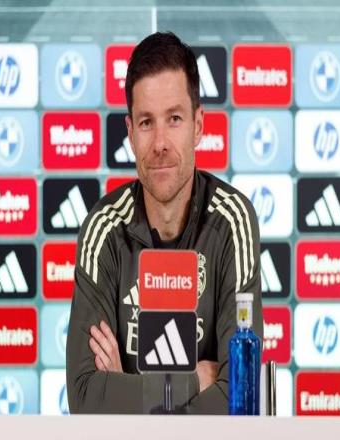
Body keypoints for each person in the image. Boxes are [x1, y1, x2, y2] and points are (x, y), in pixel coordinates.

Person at [66, 31, 262, 414]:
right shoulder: (103, 229)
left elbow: (240, 394)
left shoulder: (232, 220)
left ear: (198, 125)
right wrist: (193, 381)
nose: (159, 143)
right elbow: (86, 397)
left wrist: (131, 392)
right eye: (146, 123)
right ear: (130, 133)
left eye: (174, 119)